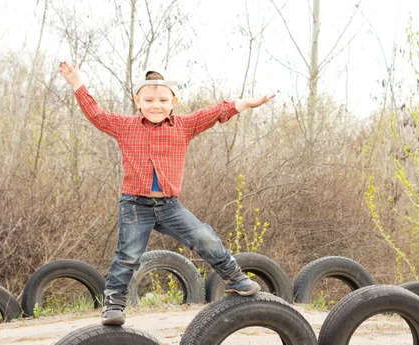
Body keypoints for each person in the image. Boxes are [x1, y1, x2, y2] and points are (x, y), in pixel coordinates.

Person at [59, 62, 275, 325]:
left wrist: (249, 103)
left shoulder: (183, 126)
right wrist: (77, 83)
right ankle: (114, 303)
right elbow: (95, 114)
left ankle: (234, 277)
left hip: (169, 206)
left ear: (173, 101)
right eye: (149, 100)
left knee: (204, 237)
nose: (156, 105)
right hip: (135, 205)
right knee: (127, 256)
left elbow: (217, 111)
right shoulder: (125, 126)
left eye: (162, 100)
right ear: (138, 100)